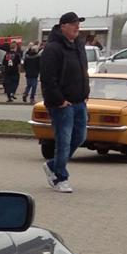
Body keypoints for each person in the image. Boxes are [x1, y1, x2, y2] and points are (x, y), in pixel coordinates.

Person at [40, 12, 90, 193]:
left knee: (80, 136)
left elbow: (83, 70)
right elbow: (47, 77)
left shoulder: (78, 45)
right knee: (64, 141)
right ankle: (60, 177)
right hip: (62, 104)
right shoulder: (53, 48)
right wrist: (59, 100)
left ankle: (53, 165)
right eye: (73, 24)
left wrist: (86, 92)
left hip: (79, 101)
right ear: (63, 26)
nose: (77, 27)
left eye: (78, 23)